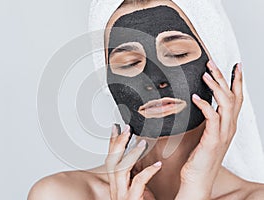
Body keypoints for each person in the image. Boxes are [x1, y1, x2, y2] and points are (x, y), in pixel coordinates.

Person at [28, 0, 264, 199]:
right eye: (129, 63)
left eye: (177, 54)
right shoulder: (63, 194)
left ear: (220, 66)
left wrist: (196, 186)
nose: (154, 79)